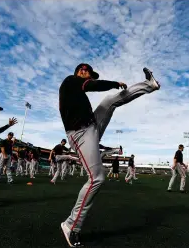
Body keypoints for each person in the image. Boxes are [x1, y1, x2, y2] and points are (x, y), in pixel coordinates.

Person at [59, 63, 160, 247]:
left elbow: (91, 86)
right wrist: (114, 83)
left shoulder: (80, 88)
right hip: (79, 134)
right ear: (77, 73)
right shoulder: (70, 81)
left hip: (91, 126)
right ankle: (70, 225)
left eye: (88, 72)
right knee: (96, 179)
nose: (85, 72)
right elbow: (91, 85)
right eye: (83, 70)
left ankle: (149, 85)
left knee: (109, 102)